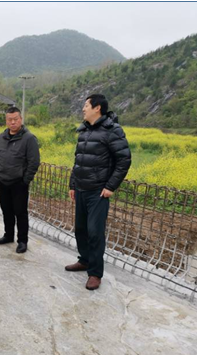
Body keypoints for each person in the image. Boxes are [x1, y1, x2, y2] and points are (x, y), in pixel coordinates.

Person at [66, 94, 131, 290]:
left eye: (86, 105)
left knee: (95, 232)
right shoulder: (84, 130)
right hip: (81, 188)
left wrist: (110, 186)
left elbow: (124, 160)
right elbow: (78, 160)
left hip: (98, 192)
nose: (83, 109)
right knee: (80, 229)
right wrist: (72, 184)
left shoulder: (112, 130)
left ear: (97, 108)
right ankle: (85, 260)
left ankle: (95, 273)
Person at [0, 106, 40, 254]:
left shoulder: (29, 138)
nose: (13, 122)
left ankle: (22, 241)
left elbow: (34, 162)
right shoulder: (1, 137)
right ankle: (8, 235)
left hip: (18, 182)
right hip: (2, 180)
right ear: (6, 121)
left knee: (20, 212)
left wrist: (25, 180)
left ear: (21, 119)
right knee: (6, 210)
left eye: (15, 119)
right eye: (9, 119)